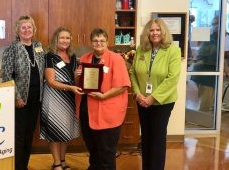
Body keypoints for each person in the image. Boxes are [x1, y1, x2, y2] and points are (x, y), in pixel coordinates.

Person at [129, 18, 181, 170]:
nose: (155, 33)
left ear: (163, 31)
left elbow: (172, 78)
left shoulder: (173, 50)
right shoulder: (141, 49)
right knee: (146, 136)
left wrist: (153, 97)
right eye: (151, 30)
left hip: (163, 102)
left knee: (157, 138)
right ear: (147, 32)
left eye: (158, 30)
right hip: (142, 100)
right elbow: (133, 72)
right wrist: (137, 94)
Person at [76, 28, 131, 170]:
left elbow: (123, 85)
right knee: (92, 148)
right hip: (87, 110)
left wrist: (104, 95)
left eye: (102, 40)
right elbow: (80, 83)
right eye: (95, 40)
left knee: (106, 151)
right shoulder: (84, 58)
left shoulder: (116, 59)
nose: (98, 43)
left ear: (107, 42)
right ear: (91, 42)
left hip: (108, 111)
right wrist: (77, 75)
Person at [1, 15, 45, 170]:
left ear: (34, 29)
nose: (27, 30)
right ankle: (18, 167)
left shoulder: (38, 46)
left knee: (29, 134)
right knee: (19, 136)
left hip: (36, 98)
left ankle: (24, 166)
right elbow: (6, 76)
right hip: (20, 99)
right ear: (17, 30)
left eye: (29, 27)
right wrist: (16, 97)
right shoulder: (11, 49)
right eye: (23, 27)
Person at [40, 27, 82, 170]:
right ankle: (56, 163)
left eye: (67, 38)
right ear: (56, 40)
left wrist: (78, 76)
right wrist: (70, 87)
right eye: (62, 38)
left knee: (66, 131)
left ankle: (63, 161)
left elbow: (75, 81)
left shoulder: (73, 57)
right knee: (54, 131)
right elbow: (51, 81)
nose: (65, 41)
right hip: (53, 99)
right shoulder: (49, 56)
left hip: (69, 99)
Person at [191, 16, 219, 112]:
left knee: (207, 99)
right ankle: (201, 119)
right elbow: (205, 56)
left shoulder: (217, 40)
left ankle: (203, 117)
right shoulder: (209, 41)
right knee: (205, 99)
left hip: (209, 73)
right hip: (205, 73)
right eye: (215, 24)